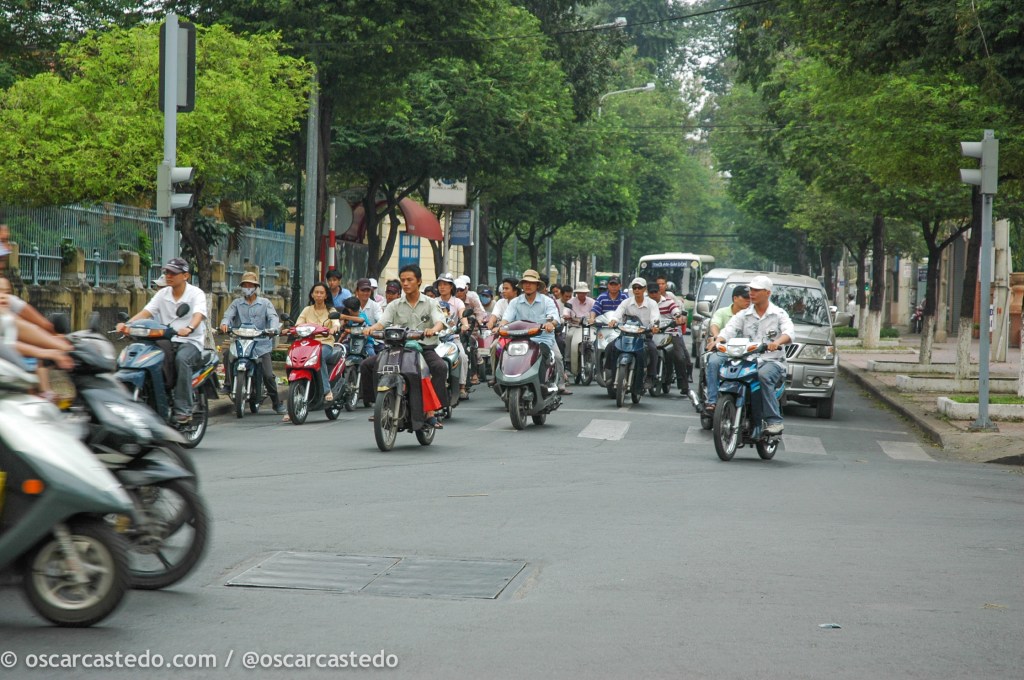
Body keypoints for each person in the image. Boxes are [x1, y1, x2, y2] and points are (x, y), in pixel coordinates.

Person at [116, 257, 207, 424]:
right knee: (144, 357)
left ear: (185, 275)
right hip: (165, 339)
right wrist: (127, 325)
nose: (168, 275)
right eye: (166, 272)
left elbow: (198, 315)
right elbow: (146, 313)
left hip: (190, 342)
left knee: (182, 360)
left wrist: (189, 328)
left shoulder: (196, 293)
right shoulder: (162, 294)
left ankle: (183, 408)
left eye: (173, 272)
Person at [359, 264, 448, 429]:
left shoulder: (430, 303)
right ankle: (379, 404)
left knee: (439, 367)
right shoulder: (394, 305)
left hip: (423, 348)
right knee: (367, 365)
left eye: (410, 280)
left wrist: (433, 330)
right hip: (397, 348)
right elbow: (382, 322)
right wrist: (371, 328)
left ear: (419, 281)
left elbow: (439, 321)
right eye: (403, 280)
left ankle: (431, 411)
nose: (405, 283)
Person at [715, 275, 794, 435]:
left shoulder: (778, 314)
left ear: (767, 293)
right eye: (751, 289)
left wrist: (777, 342)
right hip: (747, 360)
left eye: (757, 290)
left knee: (763, 376)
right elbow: (728, 330)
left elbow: (789, 332)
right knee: (727, 371)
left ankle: (774, 421)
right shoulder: (743, 314)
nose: (752, 293)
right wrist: (718, 340)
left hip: (772, 361)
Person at [219, 271, 285, 415]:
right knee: (226, 355)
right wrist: (224, 324)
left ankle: (276, 403)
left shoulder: (265, 303)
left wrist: (273, 329)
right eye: (245, 285)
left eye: (250, 285)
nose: (247, 287)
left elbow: (273, 317)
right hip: (240, 341)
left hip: (260, 344)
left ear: (256, 287)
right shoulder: (236, 303)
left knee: (268, 375)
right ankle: (228, 384)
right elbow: (227, 316)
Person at [499, 269, 571, 395]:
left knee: (557, 357)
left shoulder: (547, 301)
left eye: (531, 282)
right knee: (503, 353)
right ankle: (501, 381)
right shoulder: (516, 302)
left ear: (537, 285)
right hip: (519, 339)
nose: (528, 285)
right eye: (525, 282)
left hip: (543, 338)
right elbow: (506, 318)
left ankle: (555, 384)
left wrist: (550, 323)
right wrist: (501, 326)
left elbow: (554, 318)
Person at [290, 281, 343, 418]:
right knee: (293, 359)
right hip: (307, 344)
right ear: (312, 294)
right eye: (316, 292)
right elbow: (298, 324)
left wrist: (334, 328)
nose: (318, 295)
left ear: (326, 296)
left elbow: (336, 323)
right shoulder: (307, 310)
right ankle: (291, 405)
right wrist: (292, 330)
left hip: (325, 344)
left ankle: (326, 390)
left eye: (322, 293)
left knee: (319, 356)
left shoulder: (331, 311)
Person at [704, 285, 751, 414]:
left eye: (750, 298)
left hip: (748, 354)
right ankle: (712, 400)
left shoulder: (752, 314)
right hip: (725, 351)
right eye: (745, 298)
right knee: (713, 362)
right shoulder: (722, 312)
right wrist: (716, 338)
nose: (749, 301)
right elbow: (715, 325)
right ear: (735, 298)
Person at [607, 277, 661, 390]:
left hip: (644, 336)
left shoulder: (652, 304)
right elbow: (618, 314)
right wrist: (613, 321)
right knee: (610, 347)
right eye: (635, 287)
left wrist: (654, 326)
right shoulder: (626, 302)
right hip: (626, 335)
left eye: (639, 288)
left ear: (644, 289)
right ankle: (611, 373)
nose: (637, 290)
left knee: (653, 350)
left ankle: (650, 377)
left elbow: (655, 318)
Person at [647, 280, 692, 395]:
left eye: (655, 292)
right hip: (652, 333)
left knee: (679, 356)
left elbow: (676, 312)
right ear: (648, 293)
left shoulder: (669, 302)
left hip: (671, 332)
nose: (653, 295)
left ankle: (683, 384)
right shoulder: (646, 303)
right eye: (651, 293)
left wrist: (679, 318)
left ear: (660, 291)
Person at [562, 281, 595, 379]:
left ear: (587, 293)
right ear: (577, 293)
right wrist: (567, 315)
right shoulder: (571, 302)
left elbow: (596, 311)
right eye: (580, 292)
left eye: (584, 292)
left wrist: (593, 318)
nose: (582, 294)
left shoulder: (592, 302)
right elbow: (566, 311)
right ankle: (568, 359)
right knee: (568, 336)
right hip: (575, 326)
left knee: (594, 340)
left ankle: (595, 361)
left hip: (588, 327)